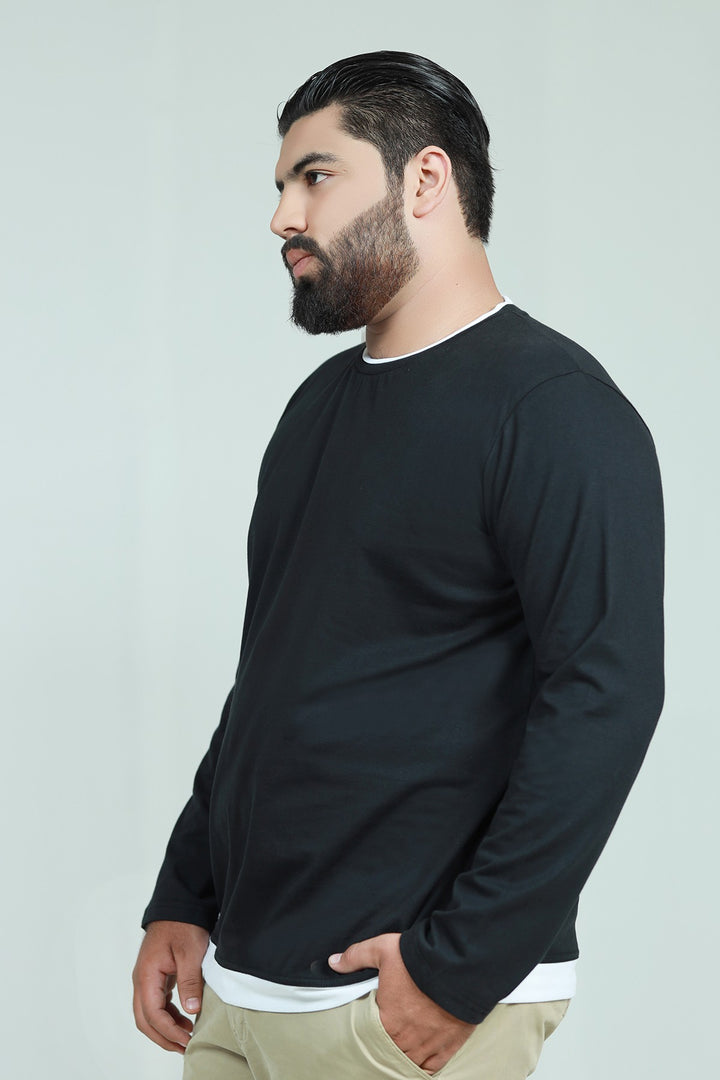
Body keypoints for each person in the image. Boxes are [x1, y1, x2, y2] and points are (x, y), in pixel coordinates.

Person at [132, 51, 665, 1080]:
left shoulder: (554, 410)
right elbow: (273, 674)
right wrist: (184, 894)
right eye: (280, 185)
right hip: (238, 988)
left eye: (315, 176)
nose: (283, 216)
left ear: (425, 179)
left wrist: (459, 971)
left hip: (392, 1004)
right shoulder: (318, 407)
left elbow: (606, 695)